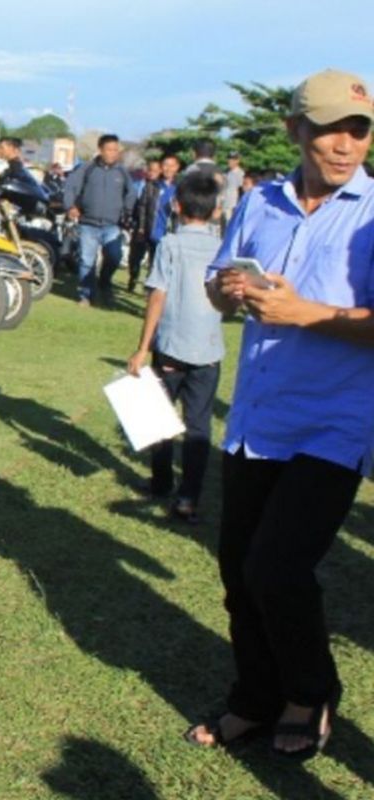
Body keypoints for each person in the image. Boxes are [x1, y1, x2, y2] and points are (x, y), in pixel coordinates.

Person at [186, 68, 374, 760]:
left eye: (360, 129)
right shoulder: (261, 202)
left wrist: (306, 314)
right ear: (297, 130)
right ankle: (256, 698)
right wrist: (229, 291)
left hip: (333, 422)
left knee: (278, 567)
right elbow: (216, 289)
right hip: (257, 420)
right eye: (331, 128)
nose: (347, 143)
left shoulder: (373, 213)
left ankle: (311, 691)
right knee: (238, 574)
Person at [125, 173, 224, 522]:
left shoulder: (169, 244)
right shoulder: (223, 248)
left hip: (171, 347)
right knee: (199, 427)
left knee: (159, 419)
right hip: (209, 350)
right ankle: (188, 498)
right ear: (216, 211)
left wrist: (142, 347)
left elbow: (158, 294)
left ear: (176, 206)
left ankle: (161, 482)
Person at [62, 133, 137, 306]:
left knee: (114, 257)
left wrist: (127, 210)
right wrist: (70, 206)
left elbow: (131, 192)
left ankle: (104, 282)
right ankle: (86, 295)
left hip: (112, 225)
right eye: (109, 150)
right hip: (88, 224)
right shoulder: (87, 168)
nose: (112, 153)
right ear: (100, 150)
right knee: (87, 261)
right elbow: (71, 187)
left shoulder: (122, 171)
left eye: (115, 150)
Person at [128, 154, 180, 292]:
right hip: (149, 230)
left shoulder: (180, 188)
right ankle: (133, 278)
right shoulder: (152, 186)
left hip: (167, 233)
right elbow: (142, 207)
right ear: (161, 168)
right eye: (165, 165)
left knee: (157, 264)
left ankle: (150, 290)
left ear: (177, 168)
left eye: (172, 166)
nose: (168, 169)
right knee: (136, 259)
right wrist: (140, 227)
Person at [221, 151, 244, 225]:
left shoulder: (240, 174)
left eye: (233, 159)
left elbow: (241, 191)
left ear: (238, 161)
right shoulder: (226, 172)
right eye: (229, 158)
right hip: (224, 204)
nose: (230, 161)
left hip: (232, 206)